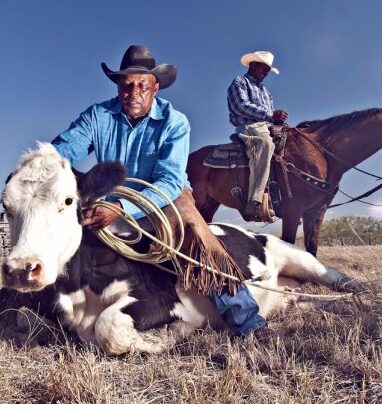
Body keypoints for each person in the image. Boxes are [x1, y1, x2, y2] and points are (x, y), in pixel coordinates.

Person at [50, 45, 265, 335]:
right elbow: (62, 151)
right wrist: (42, 164)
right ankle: (52, 302)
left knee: (197, 239)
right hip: (112, 201)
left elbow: (171, 182)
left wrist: (121, 210)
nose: (133, 92)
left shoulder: (175, 122)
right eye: (126, 85)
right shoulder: (97, 116)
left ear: (156, 87)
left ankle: (248, 323)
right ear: (118, 86)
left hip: (167, 200)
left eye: (142, 85)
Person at [227, 50, 288, 222]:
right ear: (253, 65)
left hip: (268, 125)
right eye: (264, 69)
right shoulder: (240, 82)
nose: (266, 73)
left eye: (268, 71)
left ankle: (282, 199)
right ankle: (255, 201)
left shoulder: (267, 92)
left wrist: (278, 122)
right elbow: (241, 105)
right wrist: (271, 115)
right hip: (249, 126)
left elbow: (271, 116)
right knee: (265, 144)